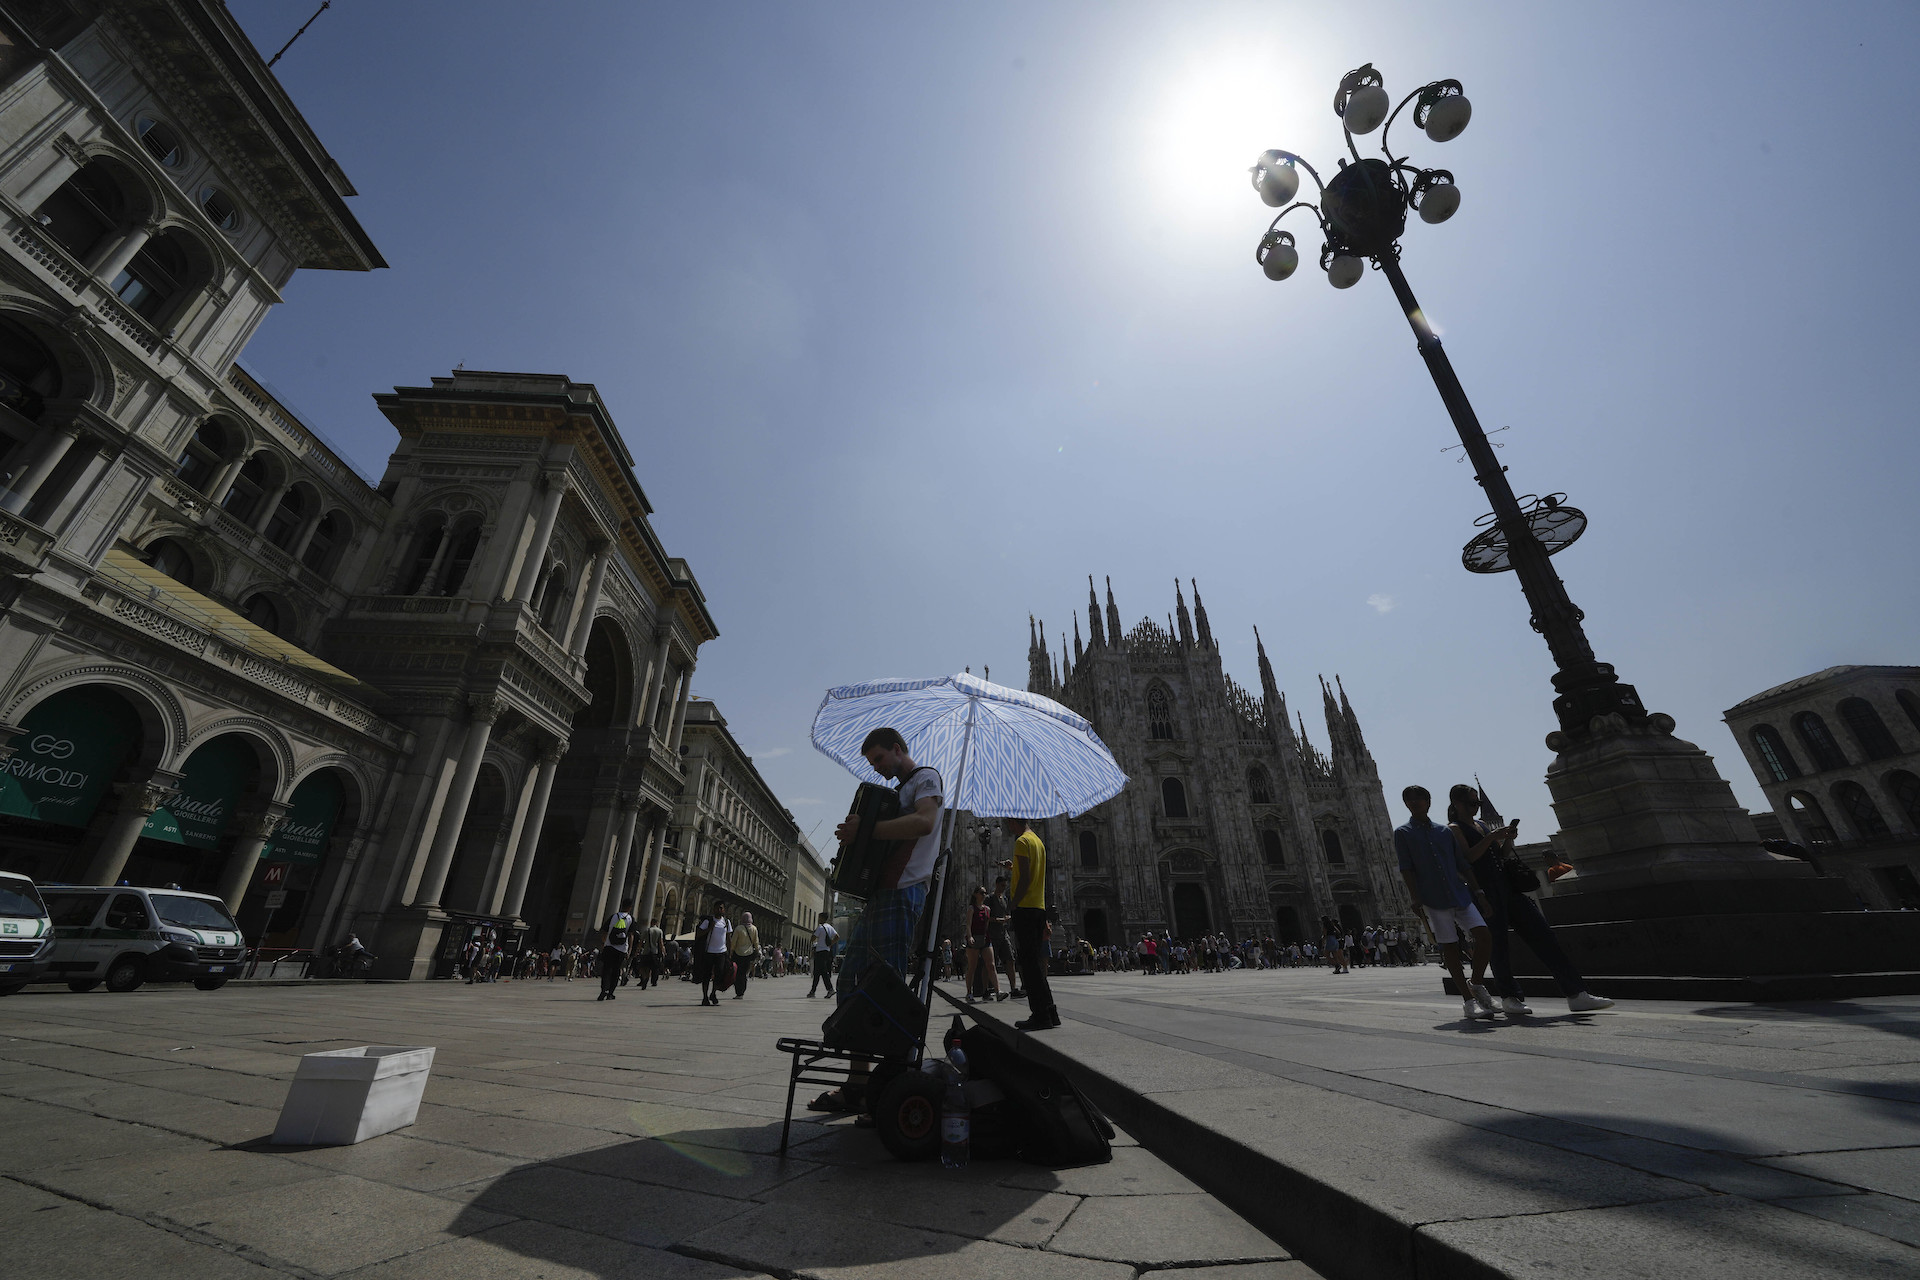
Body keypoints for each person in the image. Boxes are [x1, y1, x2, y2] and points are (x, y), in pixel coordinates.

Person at [808, 726, 943, 1114]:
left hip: (902, 892)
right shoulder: (896, 790)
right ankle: (859, 1084)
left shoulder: (926, 778)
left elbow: (925, 822)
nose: (878, 769)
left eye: (880, 759)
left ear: (898, 749)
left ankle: (886, 1087)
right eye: (872, 764)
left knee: (885, 988)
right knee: (853, 982)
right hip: (882, 894)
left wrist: (866, 830)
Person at [1445, 783, 1614, 1016]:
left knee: (1544, 936)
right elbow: (1468, 858)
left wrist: (1508, 840)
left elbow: (1501, 855)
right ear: (1457, 804)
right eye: (1472, 803)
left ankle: (1576, 994)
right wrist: (1491, 836)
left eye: (1478, 803)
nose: (1476, 807)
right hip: (1485, 891)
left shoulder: (1482, 825)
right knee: (1499, 946)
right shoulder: (1454, 829)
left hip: (1508, 887)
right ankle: (1510, 997)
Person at [1394, 784, 1501, 1022]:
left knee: (1484, 935)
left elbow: (1462, 864)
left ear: (1428, 801)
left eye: (1418, 799)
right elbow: (1406, 868)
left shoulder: (1445, 832)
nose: (1414, 803)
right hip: (1433, 897)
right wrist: (1414, 897)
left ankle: (1476, 983)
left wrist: (1479, 892)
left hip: (1458, 892)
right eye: (1409, 800)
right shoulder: (1403, 833)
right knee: (1449, 947)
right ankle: (1468, 1001)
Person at [1001, 816, 1060, 1031]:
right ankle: (1051, 1012)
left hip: (1025, 908)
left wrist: (1014, 904)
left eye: (1009, 823)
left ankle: (1040, 1015)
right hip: (1038, 907)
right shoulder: (1037, 841)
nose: (1008, 827)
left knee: (1029, 966)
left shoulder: (1021, 842)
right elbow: (1032, 873)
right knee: (1036, 963)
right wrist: (1013, 868)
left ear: (1014, 822)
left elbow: (1026, 878)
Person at [963, 884, 1003, 1004]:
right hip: (974, 939)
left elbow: (986, 925)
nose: (984, 895)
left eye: (985, 893)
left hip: (985, 939)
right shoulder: (971, 908)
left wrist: (987, 937)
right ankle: (969, 993)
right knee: (972, 967)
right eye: (982, 892)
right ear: (976, 894)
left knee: (991, 965)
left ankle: (998, 991)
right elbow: (968, 924)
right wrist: (969, 937)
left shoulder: (987, 909)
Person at [987, 874, 1020, 999]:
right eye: (1002, 886)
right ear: (996, 884)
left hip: (1003, 933)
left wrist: (1007, 918)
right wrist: (997, 920)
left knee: (1010, 960)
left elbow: (1006, 913)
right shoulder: (989, 898)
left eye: (1005, 886)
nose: (1003, 888)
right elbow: (984, 917)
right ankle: (990, 989)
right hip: (992, 934)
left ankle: (1013, 989)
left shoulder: (1004, 899)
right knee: (991, 963)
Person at [695, 899, 733, 1006]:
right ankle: (705, 997)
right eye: (717, 908)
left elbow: (728, 938)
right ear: (714, 909)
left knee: (719, 975)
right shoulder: (708, 921)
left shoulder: (726, 922)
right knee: (706, 976)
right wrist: (709, 929)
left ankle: (713, 993)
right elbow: (698, 934)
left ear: (724, 910)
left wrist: (730, 952)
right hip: (709, 952)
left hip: (722, 952)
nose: (719, 910)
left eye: (721, 908)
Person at [597, 898, 635, 1001]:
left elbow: (604, 931)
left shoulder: (613, 916)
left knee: (606, 969)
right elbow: (631, 935)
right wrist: (629, 949)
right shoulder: (630, 919)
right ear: (630, 907)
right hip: (621, 949)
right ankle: (611, 993)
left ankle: (603, 990)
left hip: (609, 947)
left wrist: (604, 943)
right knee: (616, 970)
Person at [729, 910, 760, 999]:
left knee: (737, 973)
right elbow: (756, 941)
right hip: (749, 954)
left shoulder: (738, 928)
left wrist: (731, 951)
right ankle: (741, 992)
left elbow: (733, 941)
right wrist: (757, 950)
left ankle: (738, 992)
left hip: (738, 954)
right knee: (743, 974)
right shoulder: (754, 928)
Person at [807, 916, 838, 997]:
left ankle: (830, 989)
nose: (818, 919)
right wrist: (830, 944)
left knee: (823, 972)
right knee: (817, 972)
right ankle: (812, 991)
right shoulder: (830, 927)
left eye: (820, 918)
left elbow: (812, 939)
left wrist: (814, 933)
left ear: (823, 919)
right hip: (827, 951)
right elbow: (837, 936)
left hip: (820, 952)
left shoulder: (820, 927)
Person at [636, 915, 665, 988]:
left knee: (644, 967)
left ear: (651, 922)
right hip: (654, 952)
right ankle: (652, 980)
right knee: (654, 968)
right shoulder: (659, 931)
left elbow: (641, 941)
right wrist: (663, 951)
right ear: (657, 923)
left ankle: (645, 978)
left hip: (646, 952)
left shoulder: (647, 930)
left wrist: (638, 950)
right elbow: (661, 943)